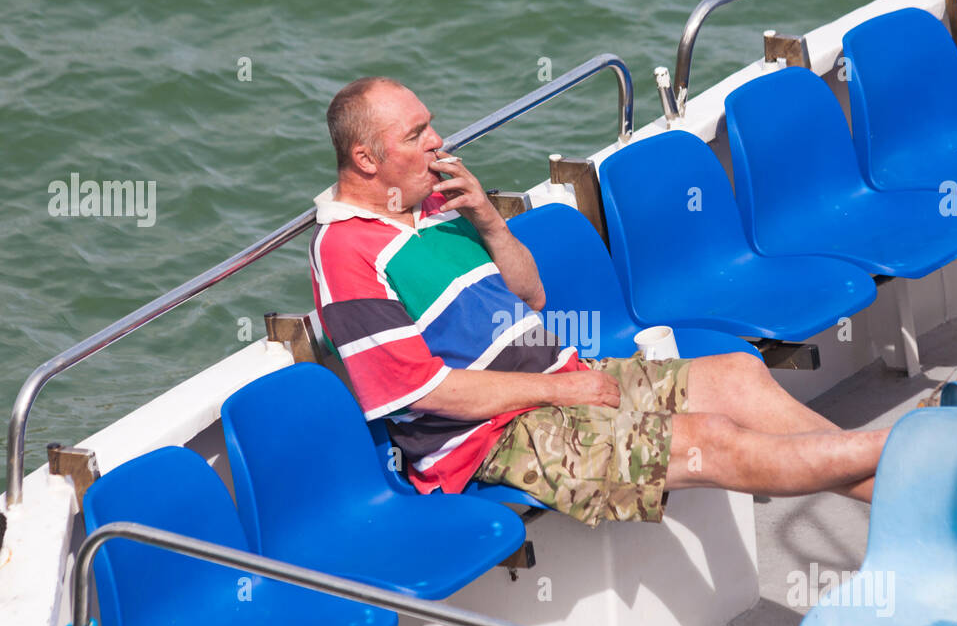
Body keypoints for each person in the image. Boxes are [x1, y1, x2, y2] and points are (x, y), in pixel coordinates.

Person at [310, 76, 892, 528]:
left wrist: (486, 219)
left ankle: (905, 487)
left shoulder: (434, 210)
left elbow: (531, 294)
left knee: (740, 375)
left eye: (429, 125)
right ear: (366, 160)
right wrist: (559, 389)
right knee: (711, 440)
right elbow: (424, 390)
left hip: (563, 378)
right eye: (415, 136)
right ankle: (905, 453)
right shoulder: (345, 250)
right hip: (495, 435)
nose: (437, 141)